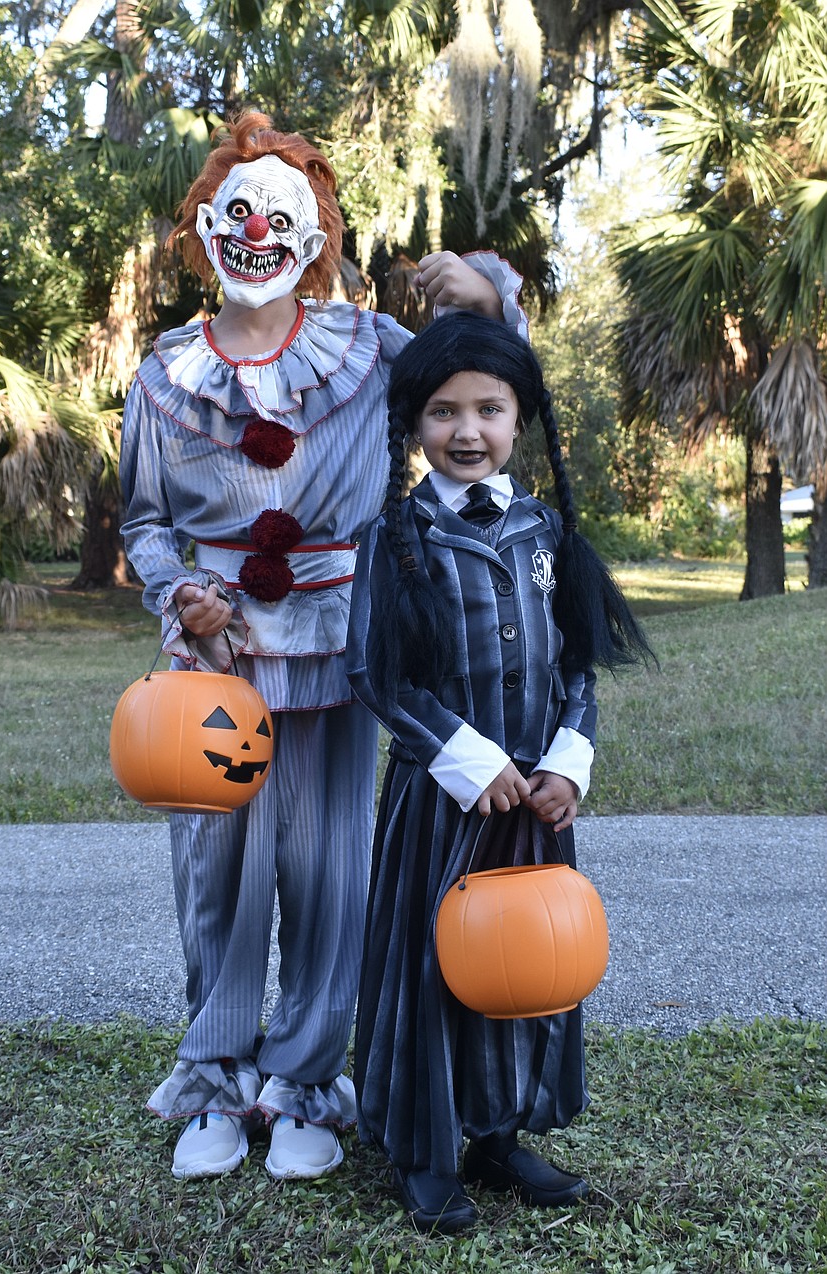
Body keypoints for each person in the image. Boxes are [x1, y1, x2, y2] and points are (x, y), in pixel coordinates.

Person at [118, 110, 527, 1183]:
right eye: (236, 212)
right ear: (206, 229)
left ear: (314, 233)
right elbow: (144, 522)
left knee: (327, 870)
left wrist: (488, 297)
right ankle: (215, 1074)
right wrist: (179, 588)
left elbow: (482, 390)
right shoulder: (164, 376)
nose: (256, 231)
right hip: (215, 663)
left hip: (341, 648)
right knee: (217, 875)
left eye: (279, 214)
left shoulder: (369, 350)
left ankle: (302, 1081)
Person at [345, 311, 653, 1233]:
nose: (467, 430)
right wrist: (468, 761)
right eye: (444, 412)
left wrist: (569, 763)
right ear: (414, 424)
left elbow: (577, 665)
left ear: (522, 418)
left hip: (535, 805)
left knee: (526, 962)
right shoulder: (395, 537)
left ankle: (500, 1132)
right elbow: (376, 675)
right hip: (444, 807)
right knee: (435, 967)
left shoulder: (548, 532)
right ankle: (425, 1151)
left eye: (489, 409)